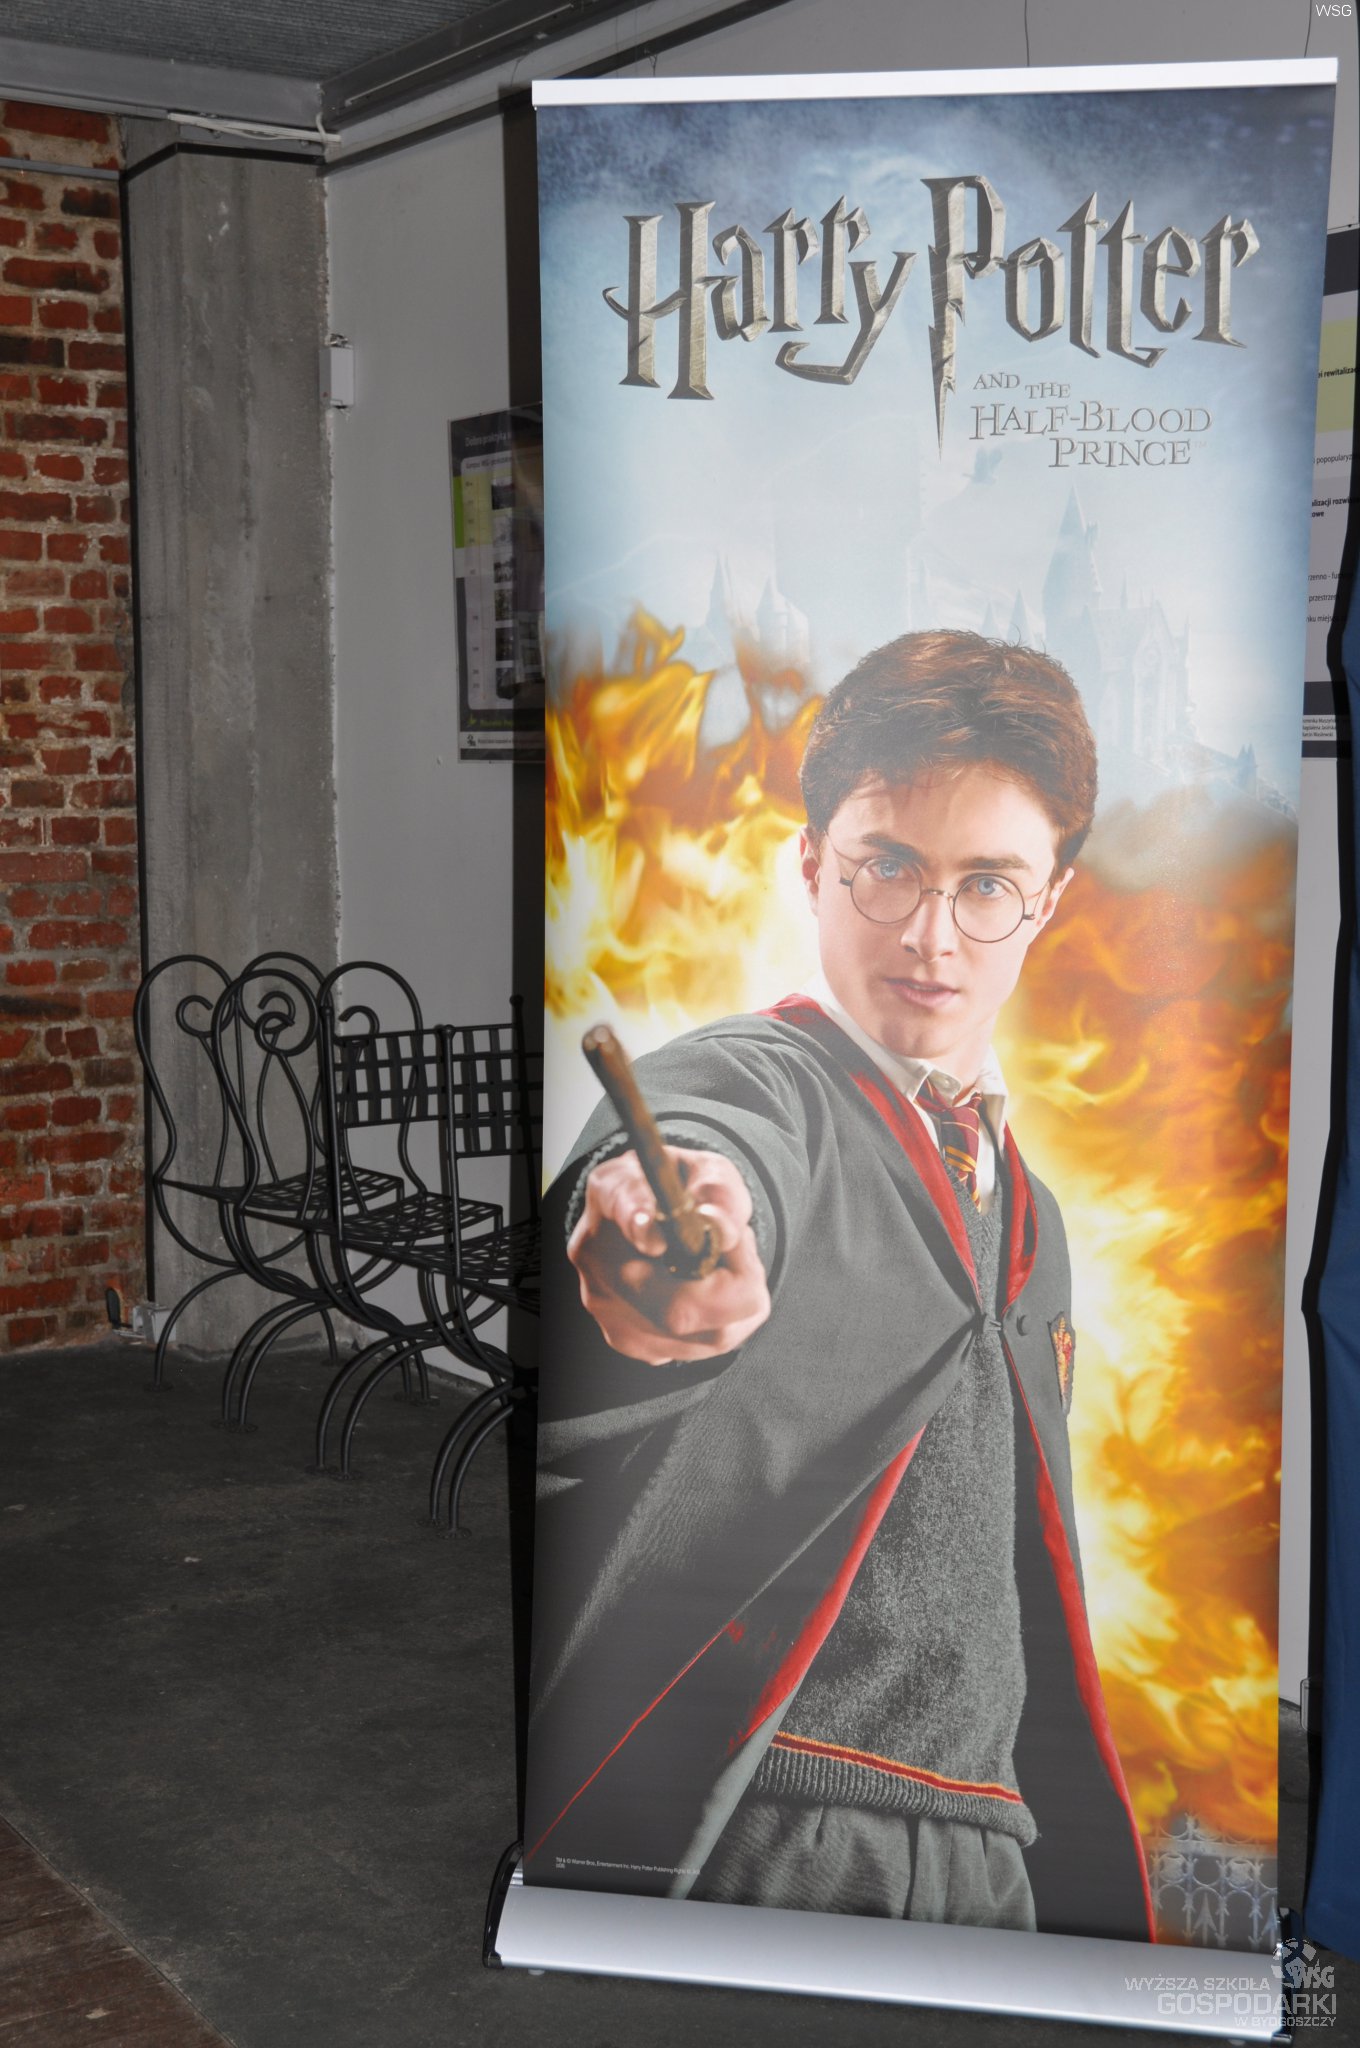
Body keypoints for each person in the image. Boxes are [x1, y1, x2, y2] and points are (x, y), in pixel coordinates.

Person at [523, 628, 1154, 1942]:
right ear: (813, 865)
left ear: (1050, 901)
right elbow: (702, 1145)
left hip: (996, 1842)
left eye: (987, 885)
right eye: (889, 867)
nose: (931, 935)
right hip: (770, 1828)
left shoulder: (1027, 1209)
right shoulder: (759, 1082)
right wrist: (664, 1230)